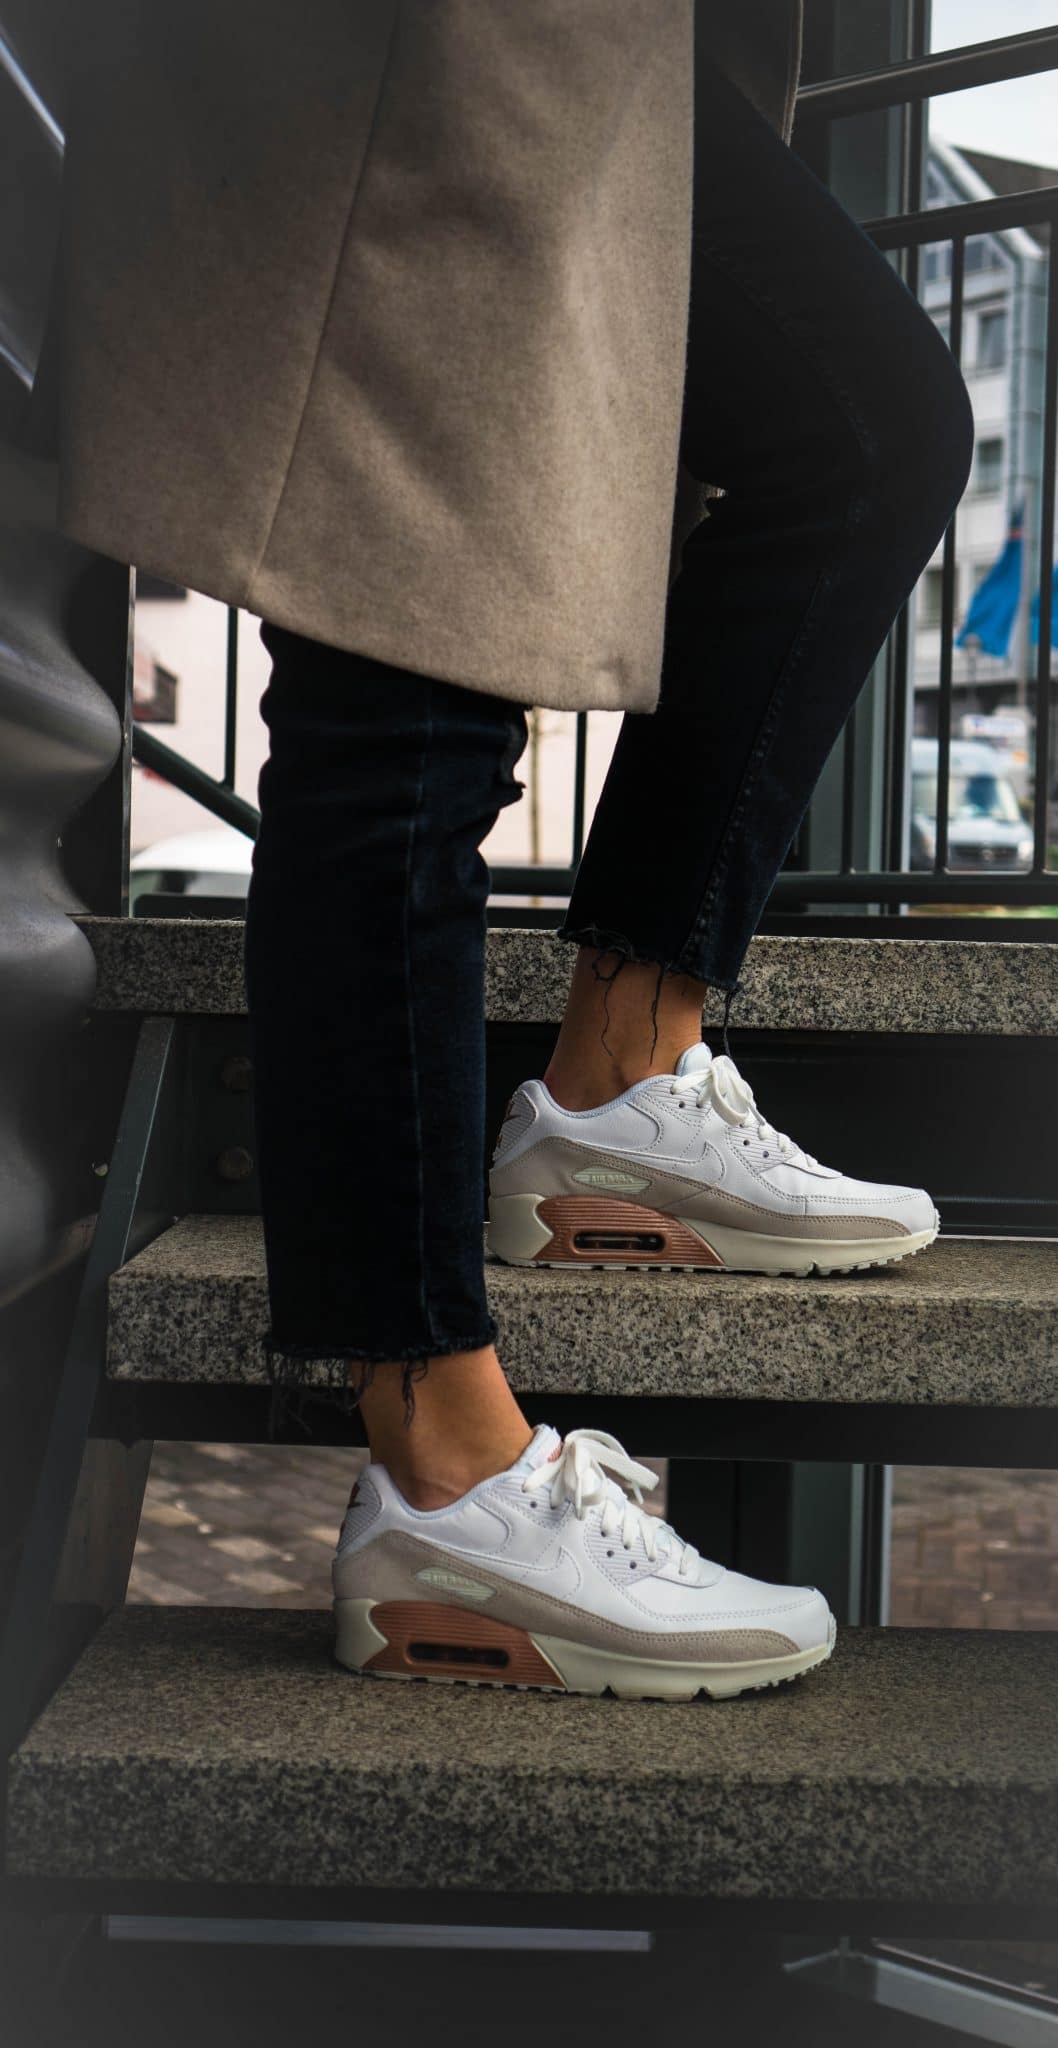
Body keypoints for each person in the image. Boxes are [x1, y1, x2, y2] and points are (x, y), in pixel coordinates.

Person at [57, 4, 974, 1699]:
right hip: (395, 52)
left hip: (580, 48)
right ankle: (446, 1472)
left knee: (866, 430)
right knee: (406, 690)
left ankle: (624, 1069)